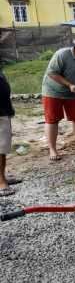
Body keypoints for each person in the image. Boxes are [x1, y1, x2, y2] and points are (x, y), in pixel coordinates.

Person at [0, 69, 16, 197]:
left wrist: (9, 109)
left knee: (3, 147)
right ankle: (1, 182)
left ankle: (2, 176)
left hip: (3, 111)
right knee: (0, 148)